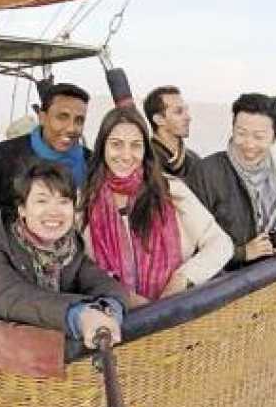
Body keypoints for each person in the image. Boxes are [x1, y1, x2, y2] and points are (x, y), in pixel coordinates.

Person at [81, 107, 233, 306]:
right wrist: (121, 295)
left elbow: (220, 243)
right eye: (116, 145)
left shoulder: (170, 191)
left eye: (135, 145)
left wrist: (182, 279)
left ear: (145, 150)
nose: (126, 155)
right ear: (102, 147)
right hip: (113, 322)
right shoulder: (84, 201)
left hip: (172, 316)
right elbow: (76, 268)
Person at [0, 161, 126, 349]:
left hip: (51, 353)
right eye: (42, 201)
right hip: (1, 354)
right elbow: (10, 297)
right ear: (22, 208)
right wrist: (78, 315)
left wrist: (110, 309)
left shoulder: (70, 247)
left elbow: (101, 282)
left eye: (63, 201)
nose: (54, 211)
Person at [0, 83, 92, 255]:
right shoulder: (3, 156)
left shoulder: (90, 162)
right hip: (9, 273)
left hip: (70, 271)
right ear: (42, 117)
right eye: (62, 117)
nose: (70, 128)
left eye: (79, 120)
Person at [187, 93, 276, 269]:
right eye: (241, 133)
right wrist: (242, 253)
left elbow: (264, 227)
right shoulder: (206, 173)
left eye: (259, 136)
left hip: (259, 278)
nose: (248, 143)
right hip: (221, 287)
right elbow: (185, 247)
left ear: (275, 137)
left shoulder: (272, 174)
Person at [143, 86, 200, 178]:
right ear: (159, 119)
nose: (188, 118)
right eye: (178, 112)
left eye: (186, 111)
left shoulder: (194, 161)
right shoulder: (144, 159)